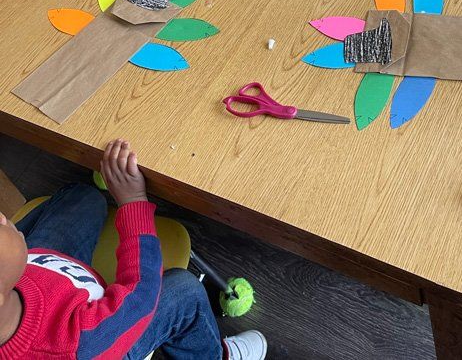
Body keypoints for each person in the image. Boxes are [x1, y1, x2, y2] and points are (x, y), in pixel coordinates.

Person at [0, 139, 267, 358]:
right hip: (105, 341)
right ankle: (216, 355)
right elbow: (141, 295)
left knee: (84, 199)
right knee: (185, 293)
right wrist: (133, 201)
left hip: (41, 277)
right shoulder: (78, 342)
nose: (2, 216)